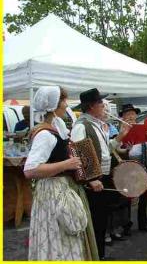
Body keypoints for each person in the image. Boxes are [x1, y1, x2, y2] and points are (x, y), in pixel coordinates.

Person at [25, 86, 98, 260]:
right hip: (53, 193)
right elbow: (30, 170)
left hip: (61, 188)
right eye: (64, 101)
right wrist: (67, 164)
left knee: (66, 238)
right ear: (54, 106)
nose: (66, 104)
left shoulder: (56, 130)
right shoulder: (45, 134)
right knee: (58, 237)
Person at [70, 88, 118, 258]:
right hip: (93, 180)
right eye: (100, 103)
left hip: (101, 177)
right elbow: (78, 153)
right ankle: (94, 256)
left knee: (101, 220)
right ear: (91, 106)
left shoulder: (95, 124)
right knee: (94, 220)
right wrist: (91, 179)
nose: (103, 106)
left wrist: (120, 138)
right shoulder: (82, 125)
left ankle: (99, 255)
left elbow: (104, 150)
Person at [115, 104, 147, 234]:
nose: (131, 116)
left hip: (141, 164)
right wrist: (127, 150)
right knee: (127, 196)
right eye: (127, 114)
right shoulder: (119, 130)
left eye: (132, 113)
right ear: (123, 116)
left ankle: (143, 222)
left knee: (143, 195)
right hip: (127, 165)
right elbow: (115, 150)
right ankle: (126, 225)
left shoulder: (142, 128)